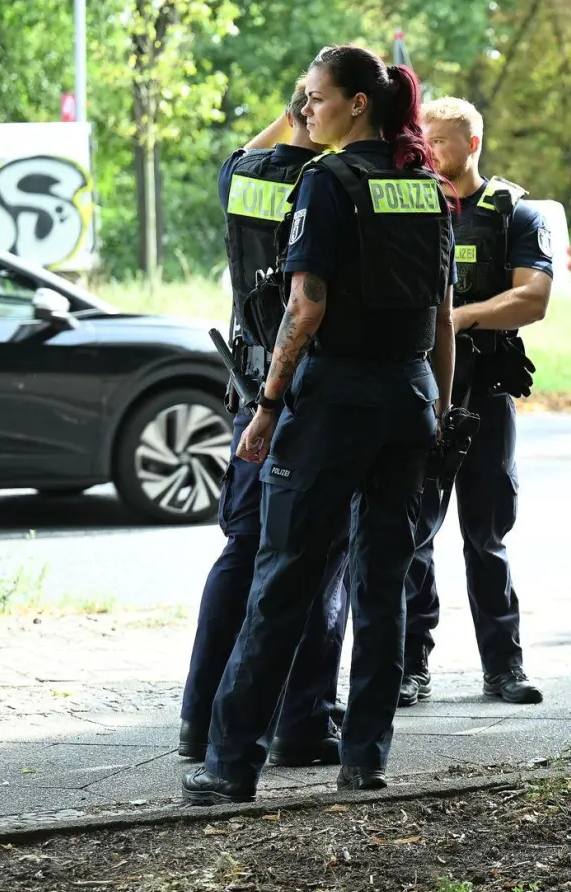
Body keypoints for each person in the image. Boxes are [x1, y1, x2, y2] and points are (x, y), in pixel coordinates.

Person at [182, 45, 456, 805]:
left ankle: (230, 765)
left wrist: (268, 405)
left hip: (333, 400)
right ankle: (365, 759)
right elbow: (442, 317)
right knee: (383, 584)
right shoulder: (426, 188)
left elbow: (305, 306)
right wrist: (436, 405)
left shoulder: (327, 181)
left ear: (358, 104)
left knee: (283, 578)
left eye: (317, 98)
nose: (307, 111)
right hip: (408, 396)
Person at [177, 81, 353, 770]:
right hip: (305, 387)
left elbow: (248, 150)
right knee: (319, 553)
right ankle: (303, 721)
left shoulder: (243, 174)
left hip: (248, 385)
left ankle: (199, 716)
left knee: (244, 544)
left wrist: (289, 112)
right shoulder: (332, 185)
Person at [399, 97, 553, 707]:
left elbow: (533, 298)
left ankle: (504, 668)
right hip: (422, 394)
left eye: (440, 141)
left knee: (486, 537)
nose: (430, 151)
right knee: (413, 535)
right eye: (424, 139)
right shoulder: (410, 206)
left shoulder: (514, 212)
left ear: (473, 144)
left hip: (485, 392)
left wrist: (458, 319)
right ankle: (410, 666)